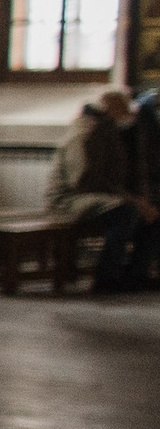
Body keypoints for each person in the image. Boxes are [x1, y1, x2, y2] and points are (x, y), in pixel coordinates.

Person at [47, 88, 158, 293]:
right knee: (126, 212)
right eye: (123, 111)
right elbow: (83, 179)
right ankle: (106, 278)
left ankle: (135, 276)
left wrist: (143, 200)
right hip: (70, 198)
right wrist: (133, 201)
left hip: (102, 195)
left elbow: (120, 174)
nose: (128, 117)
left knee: (153, 216)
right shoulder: (83, 132)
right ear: (110, 110)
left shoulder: (110, 130)